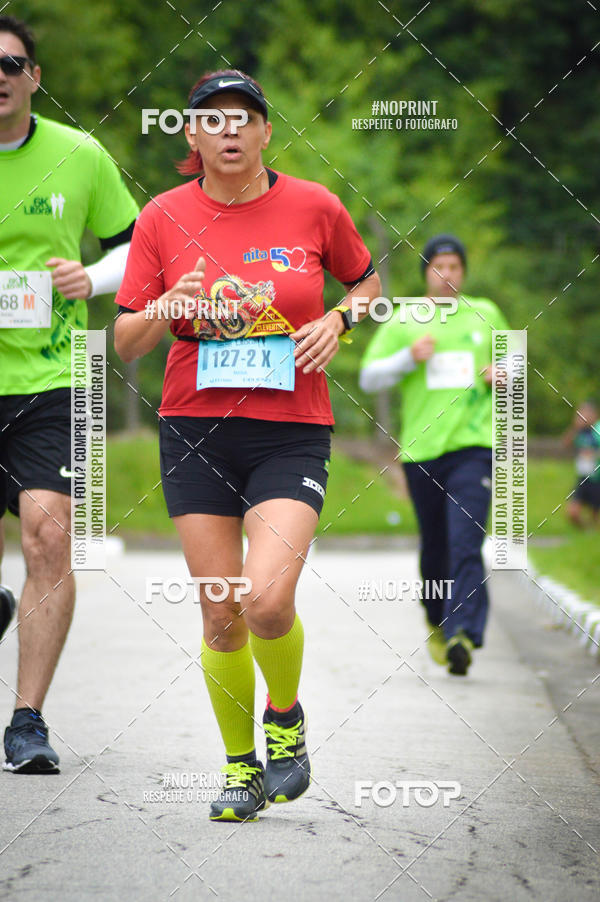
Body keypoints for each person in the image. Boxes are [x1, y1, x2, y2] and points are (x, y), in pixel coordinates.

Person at [114, 69, 380, 822]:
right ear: (191, 136)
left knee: (266, 600)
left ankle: (285, 720)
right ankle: (240, 769)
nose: (229, 131)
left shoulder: (314, 205)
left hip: (290, 431)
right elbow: (127, 340)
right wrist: (166, 304)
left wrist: (340, 320)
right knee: (222, 613)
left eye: (244, 118)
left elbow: (365, 282)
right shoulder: (162, 216)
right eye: (211, 119)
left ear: (267, 132)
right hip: (194, 429)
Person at [0, 15, 139, 773]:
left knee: (48, 538)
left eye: (12, 63)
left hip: (52, 381)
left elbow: (136, 247)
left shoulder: (80, 156)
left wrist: (94, 279)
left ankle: (27, 721)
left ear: (34, 77)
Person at [360, 234, 508, 675]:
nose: (448, 276)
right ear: (426, 272)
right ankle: (436, 616)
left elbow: (515, 365)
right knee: (436, 548)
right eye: (439, 267)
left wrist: (502, 373)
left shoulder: (486, 313)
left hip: (474, 448)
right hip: (422, 451)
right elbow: (369, 377)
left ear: (464, 272)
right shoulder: (406, 319)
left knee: (466, 539)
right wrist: (409, 357)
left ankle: (463, 630)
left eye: (456, 267)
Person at [562, 400, 600, 528]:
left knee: (595, 516)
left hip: (597, 478)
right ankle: (586, 532)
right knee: (572, 512)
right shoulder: (580, 431)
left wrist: (593, 454)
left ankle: (592, 535)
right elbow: (566, 444)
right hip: (583, 477)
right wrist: (575, 428)